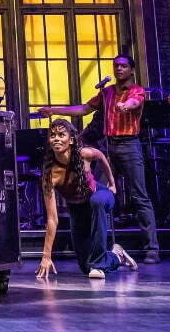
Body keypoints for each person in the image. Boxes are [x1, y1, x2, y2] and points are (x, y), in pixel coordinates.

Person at [38, 54, 160, 263]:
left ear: (131, 69)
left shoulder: (137, 90)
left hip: (129, 145)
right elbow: (84, 109)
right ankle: (99, 247)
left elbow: (134, 102)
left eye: (123, 66)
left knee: (139, 196)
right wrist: (53, 110)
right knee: (94, 194)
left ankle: (152, 249)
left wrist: (126, 105)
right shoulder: (107, 93)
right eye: (116, 66)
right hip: (108, 146)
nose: (119, 69)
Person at [36, 119, 137, 280]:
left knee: (96, 202)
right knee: (85, 267)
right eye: (53, 135)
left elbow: (101, 157)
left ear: (71, 140)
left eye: (61, 135)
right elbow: (52, 219)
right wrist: (46, 256)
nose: (56, 138)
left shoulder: (84, 154)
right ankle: (117, 256)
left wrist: (112, 183)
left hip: (100, 195)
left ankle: (98, 265)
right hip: (77, 209)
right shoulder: (50, 175)